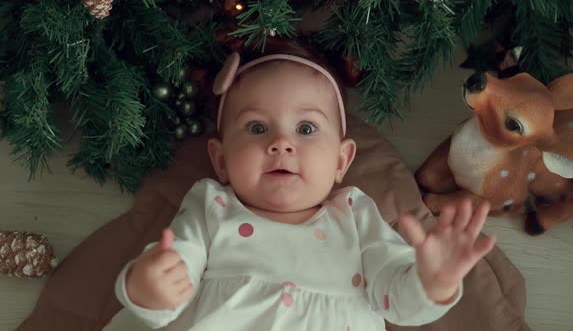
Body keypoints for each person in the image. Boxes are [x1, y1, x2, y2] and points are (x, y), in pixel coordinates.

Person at [109, 41, 496, 331]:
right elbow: (178, 264)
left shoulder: (355, 213)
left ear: (342, 161)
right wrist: (149, 287)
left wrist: (432, 281)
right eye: (257, 127)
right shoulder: (211, 205)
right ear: (221, 159)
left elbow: (393, 297)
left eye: (306, 128)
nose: (281, 143)